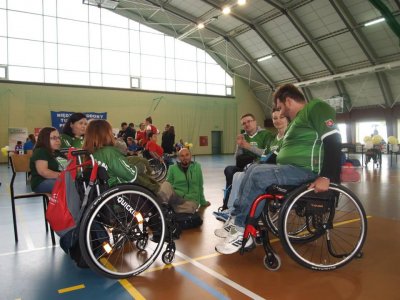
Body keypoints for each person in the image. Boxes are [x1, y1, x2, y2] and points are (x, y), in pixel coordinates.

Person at [215, 83, 342, 254]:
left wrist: (327, 176)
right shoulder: (295, 123)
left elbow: (334, 139)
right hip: (290, 168)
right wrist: (260, 165)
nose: (281, 113)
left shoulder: (316, 107)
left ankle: (242, 230)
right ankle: (235, 219)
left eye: (280, 107)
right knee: (253, 169)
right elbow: (280, 151)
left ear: (288, 101)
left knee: (259, 175)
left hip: (306, 170)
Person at [82, 120, 190, 211]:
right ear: (106, 133)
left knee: (157, 183)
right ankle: (184, 205)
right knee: (165, 187)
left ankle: (182, 203)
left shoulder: (91, 153)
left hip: (107, 195)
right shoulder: (109, 152)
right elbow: (131, 175)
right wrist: (141, 168)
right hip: (125, 196)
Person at [213, 107, 289, 221]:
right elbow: (265, 154)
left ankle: (237, 210)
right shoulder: (274, 139)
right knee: (235, 174)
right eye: (275, 118)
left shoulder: (273, 135)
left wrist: (249, 148)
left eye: (281, 117)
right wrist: (240, 145)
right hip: (261, 165)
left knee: (244, 174)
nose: (278, 120)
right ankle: (230, 209)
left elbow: (270, 155)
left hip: (274, 169)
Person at [221, 113, 274, 210]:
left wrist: (248, 147)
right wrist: (240, 146)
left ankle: (244, 204)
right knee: (229, 170)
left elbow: (267, 154)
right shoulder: (243, 136)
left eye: (249, 121)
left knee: (245, 172)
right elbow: (237, 157)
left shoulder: (266, 135)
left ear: (255, 122)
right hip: (244, 165)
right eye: (244, 123)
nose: (246, 124)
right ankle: (228, 203)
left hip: (258, 165)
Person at [30, 127, 64, 193]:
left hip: (55, 179)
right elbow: (44, 172)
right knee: (65, 185)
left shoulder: (57, 152)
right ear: (45, 139)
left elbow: (65, 167)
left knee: (78, 183)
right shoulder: (40, 151)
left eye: (58, 137)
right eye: (54, 138)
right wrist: (63, 176)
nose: (58, 140)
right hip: (41, 182)